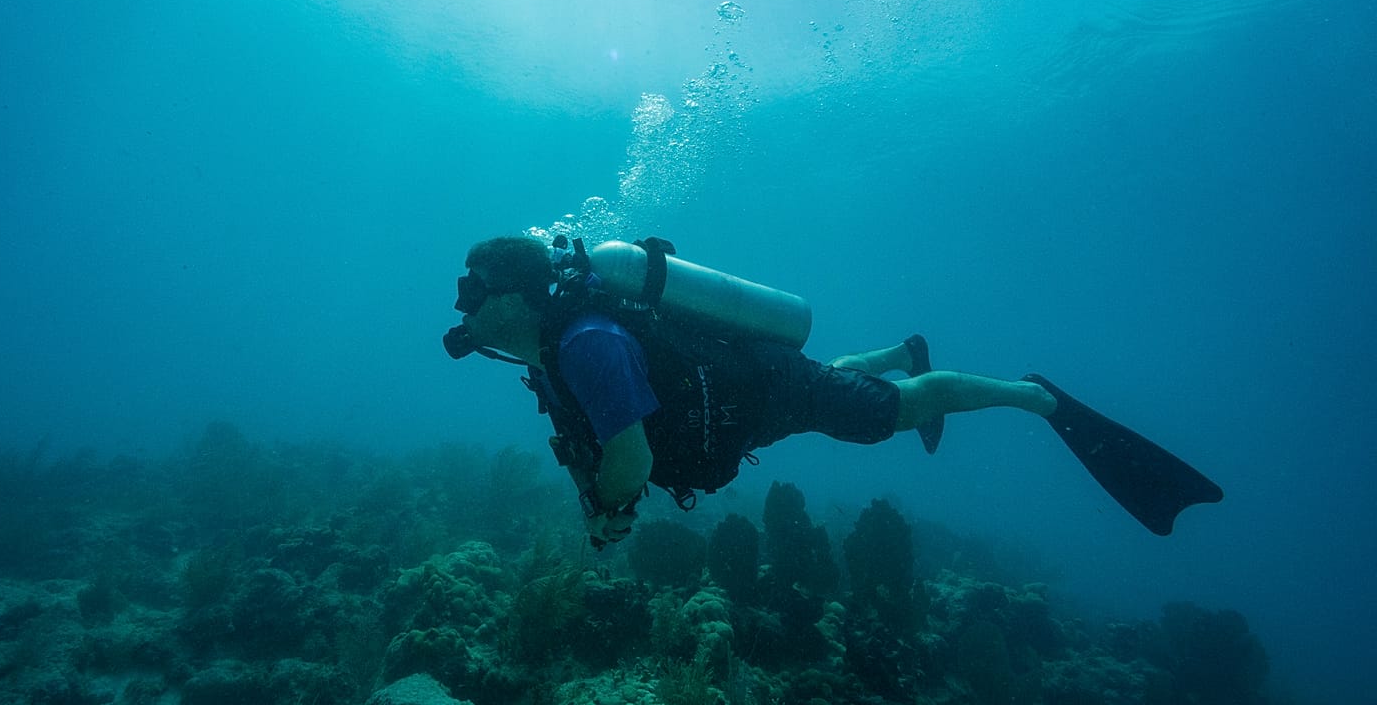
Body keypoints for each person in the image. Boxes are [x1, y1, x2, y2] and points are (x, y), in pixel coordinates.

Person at [444, 235, 1222, 546]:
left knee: (895, 410)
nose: (464, 304)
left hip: (755, 393)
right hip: (739, 411)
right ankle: (898, 349)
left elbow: (630, 457)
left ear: (517, 294)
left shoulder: (585, 343)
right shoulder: (545, 356)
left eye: (474, 288)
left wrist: (609, 512)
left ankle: (1034, 395)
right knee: (817, 388)